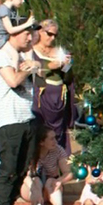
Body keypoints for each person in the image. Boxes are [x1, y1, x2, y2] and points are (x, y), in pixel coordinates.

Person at [0, 25, 40, 205]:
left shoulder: (21, 57)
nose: (30, 37)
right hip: (9, 121)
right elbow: (12, 81)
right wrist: (28, 67)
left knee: (21, 169)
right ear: (13, 33)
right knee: (8, 169)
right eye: (26, 33)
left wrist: (34, 65)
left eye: (31, 34)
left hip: (26, 118)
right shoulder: (1, 56)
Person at [31, 20, 75, 151]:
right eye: (49, 34)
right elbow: (30, 73)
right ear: (40, 31)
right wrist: (49, 67)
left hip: (59, 99)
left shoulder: (59, 51)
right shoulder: (30, 51)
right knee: (41, 133)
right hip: (41, 99)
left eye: (55, 35)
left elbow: (68, 78)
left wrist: (67, 66)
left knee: (59, 134)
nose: (52, 38)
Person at [23, 126, 71, 205]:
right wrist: (33, 187)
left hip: (49, 188)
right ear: (41, 142)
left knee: (51, 181)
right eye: (51, 139)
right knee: (35, 180)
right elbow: (24, 176)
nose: (55, 142)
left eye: (55, 138)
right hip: (31, 189)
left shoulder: (58, 150)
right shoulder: (30, 152)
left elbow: (68, 172)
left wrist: (60, 180)